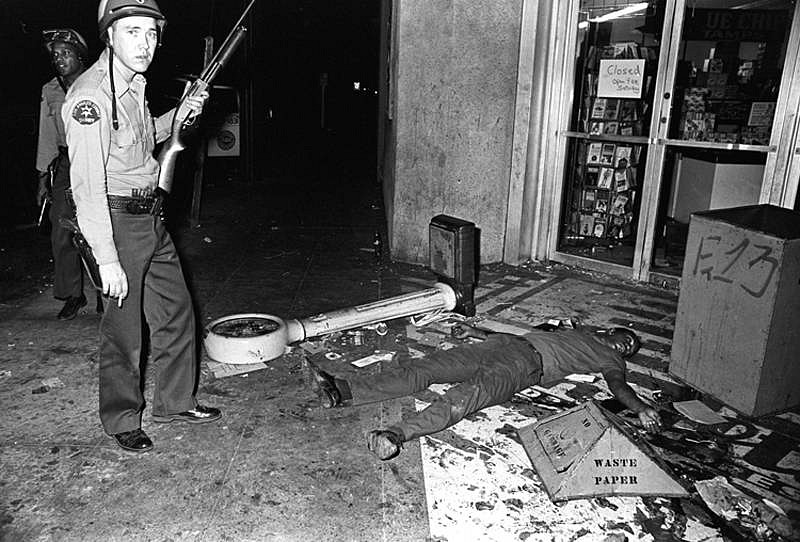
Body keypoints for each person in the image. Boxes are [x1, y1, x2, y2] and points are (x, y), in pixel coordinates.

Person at [63, 0, 220, 453]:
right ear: (108, 36)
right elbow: (87, 186)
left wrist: (180, 114)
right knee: (124, 330)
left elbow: (141, 138)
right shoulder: (91, 97)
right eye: (132, 31)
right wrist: (107, 258)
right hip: (115, 221)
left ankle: (174, 401)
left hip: (150, 216)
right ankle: (120, 418)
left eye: (151, 33)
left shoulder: (134, 85)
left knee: (176, 311)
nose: (144, 43)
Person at [310, 324, 662, 461]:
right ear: (612, 329)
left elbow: (618, 386)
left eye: (629, 347)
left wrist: (641, 406)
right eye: (626, 337)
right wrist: (475, 330)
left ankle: (396, 434)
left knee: (463, 398)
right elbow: (535, 332)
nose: (625, 345)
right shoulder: (577, 330)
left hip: (524, 367)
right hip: (502, 344)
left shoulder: (609, 358)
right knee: (427, 367)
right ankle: (342, 390)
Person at [36, 28, 103, 320]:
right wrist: (42, 177)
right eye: (54, 55)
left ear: (80, 56)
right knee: (61, 227)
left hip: (98, 157)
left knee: (101, 225)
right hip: (66, 162)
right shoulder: (50, 90)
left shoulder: (99, 83)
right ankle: (73, 294)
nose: (59, 59)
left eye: (65, 53)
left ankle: (107, 293)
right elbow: (47, 134)